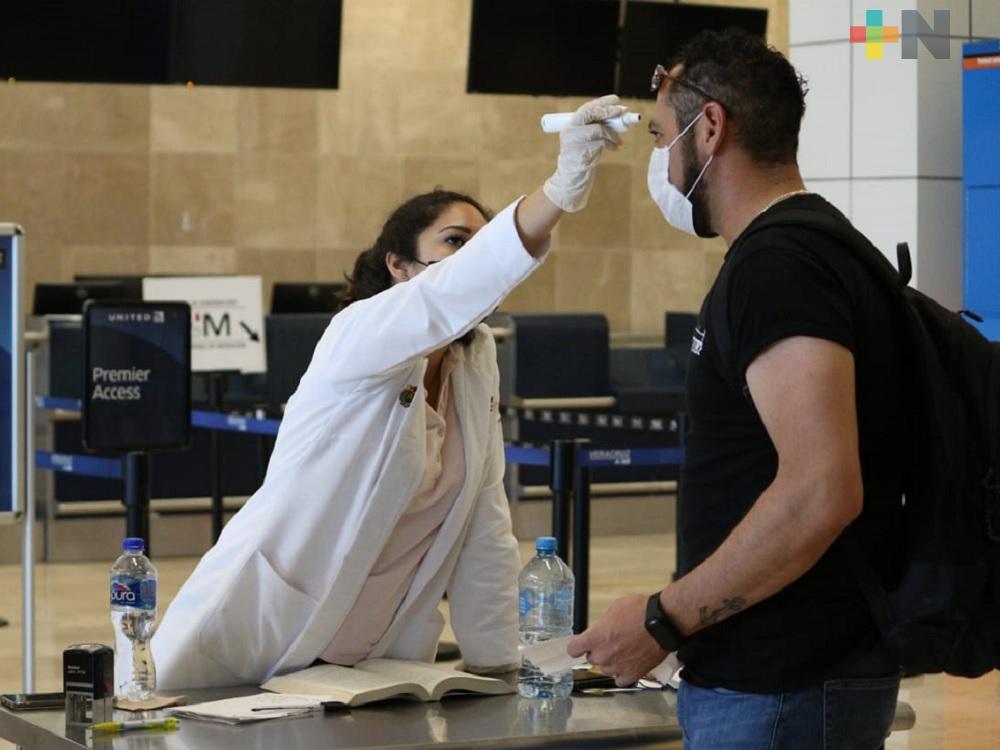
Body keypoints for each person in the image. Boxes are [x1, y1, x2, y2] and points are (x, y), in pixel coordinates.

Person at [152, 95, 626, 689]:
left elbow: (485, 524)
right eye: (457, 243)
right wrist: (560, 188)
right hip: (265, 637)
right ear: (399, 266)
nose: (474, 262)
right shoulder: (359, 333)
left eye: (483, 246)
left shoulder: (475, 359)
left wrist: (503, 666)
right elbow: (444, 296)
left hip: (377, 657)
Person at [569, 30, 906, 749]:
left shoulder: (777, 266)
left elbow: (822, 490)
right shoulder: (817, 250)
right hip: (788, 676)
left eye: (662, 136)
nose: (661, 160)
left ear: (711, 127)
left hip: (782, 685)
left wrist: (664, 618)